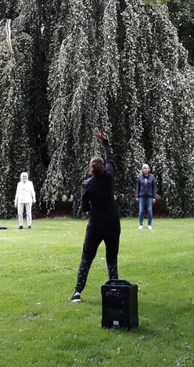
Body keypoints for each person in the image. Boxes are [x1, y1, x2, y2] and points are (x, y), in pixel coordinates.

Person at [70, 129, 120, 303]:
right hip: (113, 223)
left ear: (90, 168)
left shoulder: (87, 185)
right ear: (103, 167)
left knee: (87, 257)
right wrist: (105, 142)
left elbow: (84, 208)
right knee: (112, 257)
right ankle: (115, 290)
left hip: (96, 225)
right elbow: (111, 159)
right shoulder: (109, 176)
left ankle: (77, 292)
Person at [136, 164, 156, 231]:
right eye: (144, 168)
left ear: (149, 169)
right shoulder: (140, 177)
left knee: (150, 211)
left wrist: (154, 197)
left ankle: (149, 224)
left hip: (149, 196)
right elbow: (138, 187)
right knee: (141, 211)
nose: (145, 169)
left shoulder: (152, 177)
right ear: (143, 170)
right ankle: (140, 224)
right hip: (142, 196)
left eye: (146, 168)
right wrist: (137, 196)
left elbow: (154, 188)